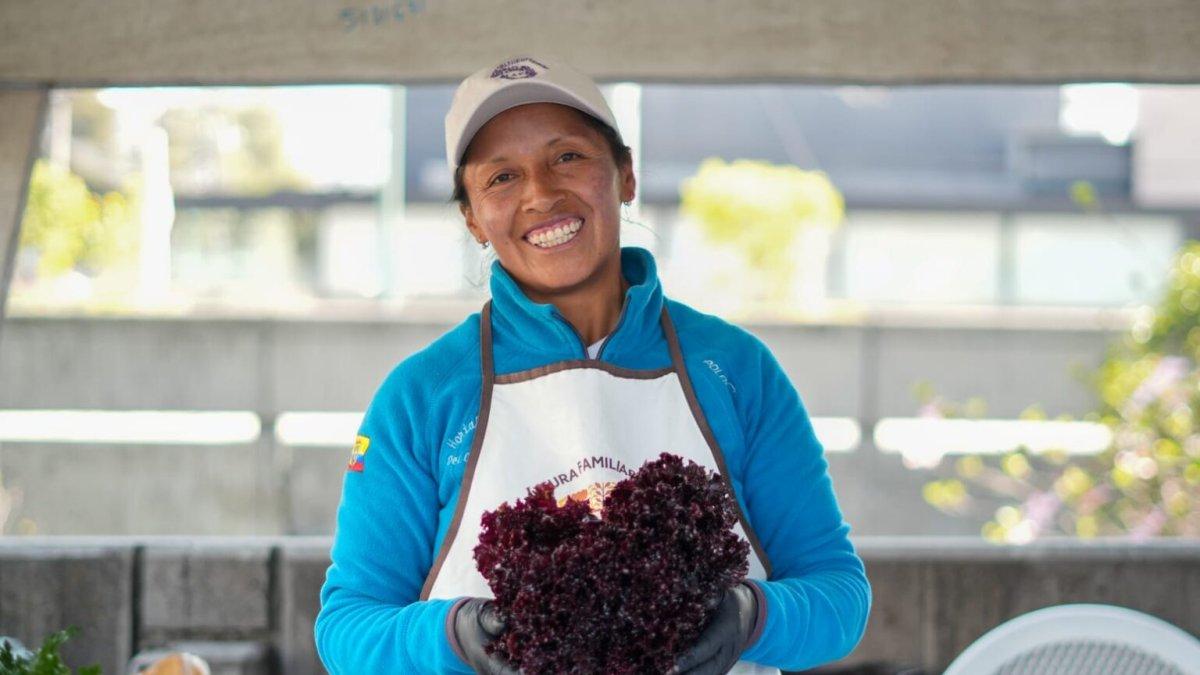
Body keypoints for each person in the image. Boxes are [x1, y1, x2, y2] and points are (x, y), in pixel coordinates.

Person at [315, 54, 871, 675]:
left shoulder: (736, 368)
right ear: (472, 217)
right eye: (501, 177)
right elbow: (348, 627)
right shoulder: (421, 394)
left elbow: (838, 595)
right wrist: (458, 635)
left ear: (626, 174)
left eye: (567, 157)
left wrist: (750, 616)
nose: (541, 194)